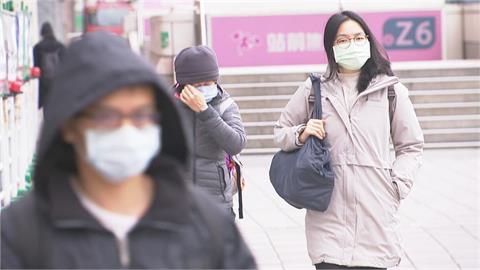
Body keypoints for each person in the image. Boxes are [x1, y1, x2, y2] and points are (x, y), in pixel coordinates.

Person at [1, 32, 256, 269]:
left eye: (141, 115)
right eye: (107, 116)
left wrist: (206, 112)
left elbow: (235, 142)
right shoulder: (21, 234)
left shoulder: (208, 224)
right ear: (69, 125)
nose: (127, 131)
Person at [273, 11, 424, 269]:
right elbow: (280, 132)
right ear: (331, 47)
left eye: (357, 37)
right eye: (342, 40)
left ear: (368, 40)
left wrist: (396, 185)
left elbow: (410, 145)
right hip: (328, 215)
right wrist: (302, 132)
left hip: (375, 214)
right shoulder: (314, 90)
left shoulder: (390, 91)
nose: (351, 44)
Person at [173, 46, 247, 217]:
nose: (203, 89)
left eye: (208, 83)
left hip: (216, 201)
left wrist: (205, 111)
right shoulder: (166, 106)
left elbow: (236, 144)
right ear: (182, 85)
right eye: (196, 85)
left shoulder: (224, 105)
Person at [33, 22, 66, 108]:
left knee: (47, 106)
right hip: (58, 82)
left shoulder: (37, 48)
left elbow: (36, 67)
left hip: (44, 83)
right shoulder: (61, 47)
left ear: (42, 33)